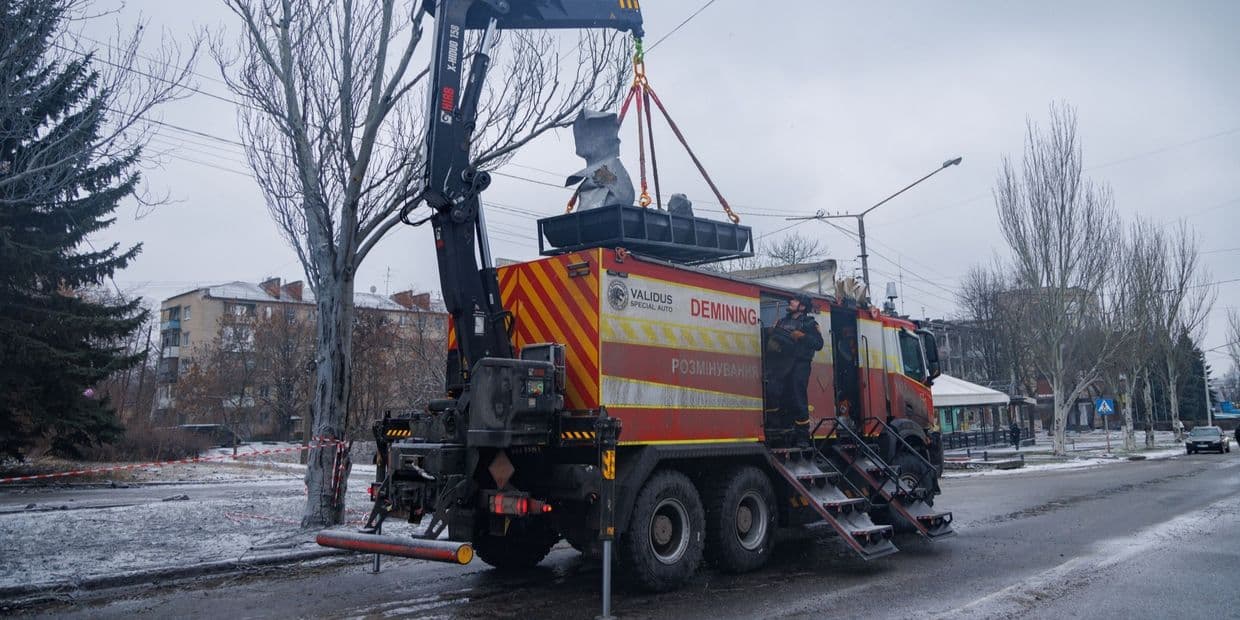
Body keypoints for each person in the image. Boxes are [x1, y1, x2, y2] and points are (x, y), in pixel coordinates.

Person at [768, 293, 824, 448]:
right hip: (782, 364)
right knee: (774, 391)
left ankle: (802, 437)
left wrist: (803, 336)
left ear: (803, 306)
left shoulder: (810, 323)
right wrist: (772, 334)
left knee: (798, 397)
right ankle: (779, 427)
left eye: (794, 300)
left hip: (800, 365)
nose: (790, 302)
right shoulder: (782, 321)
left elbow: (819, 344)